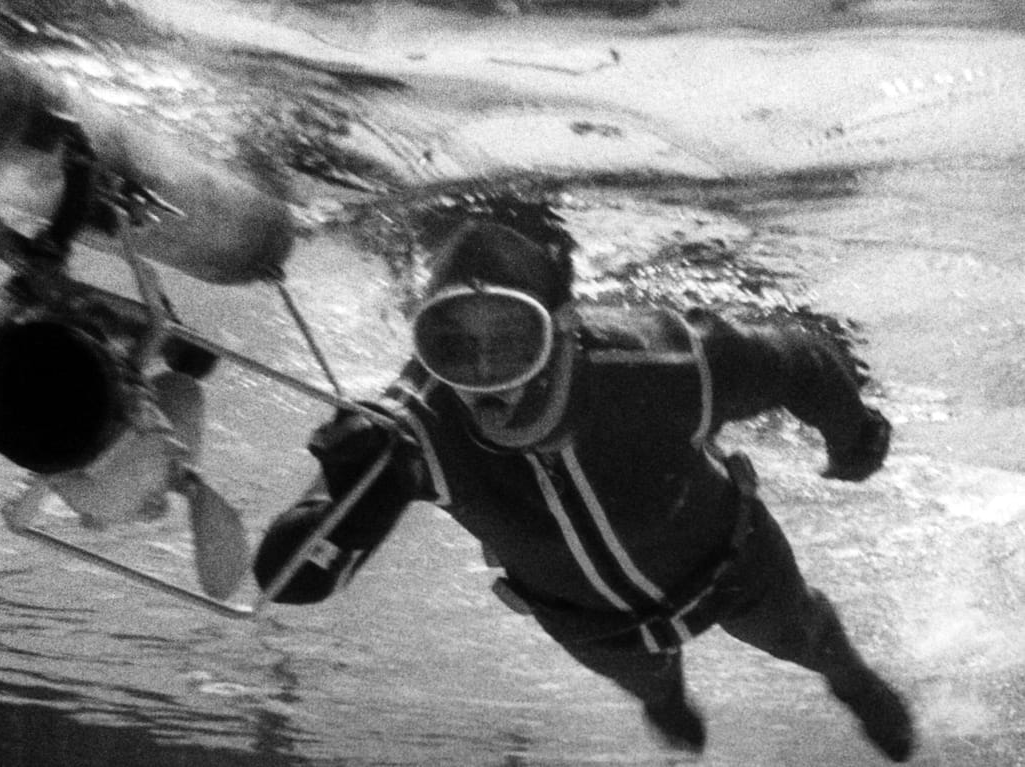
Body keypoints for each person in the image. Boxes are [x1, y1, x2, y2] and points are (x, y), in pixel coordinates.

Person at [252, 221, 916, 762]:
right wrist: (334, 510)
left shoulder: (661, 364)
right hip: (595, 626)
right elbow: (299, 566)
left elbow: (799, 357)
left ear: (565, 325)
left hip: (735, 566)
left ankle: (849, 679)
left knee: (806, 637)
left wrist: (853, 434)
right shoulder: (418, 423)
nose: (482, 378)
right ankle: (665, 696)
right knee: (650, 686)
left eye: (512, 341)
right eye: (452, 344)